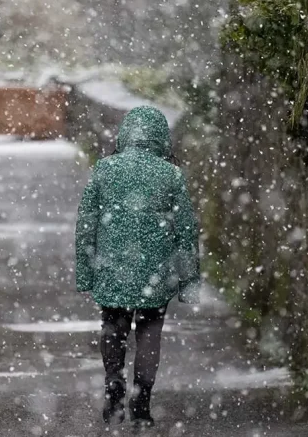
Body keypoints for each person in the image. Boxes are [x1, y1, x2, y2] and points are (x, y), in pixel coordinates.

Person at [75, 106, 201, 430]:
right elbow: (186, 230)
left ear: (125, 135)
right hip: (155, 275)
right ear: (161, 138)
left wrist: (86, 271)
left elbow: (86, 224)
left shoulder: (104, 170)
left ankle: (113, 387)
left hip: (112, 270)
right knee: (149, 335)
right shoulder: (171, 175)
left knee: (113, 330)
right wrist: (188, 281)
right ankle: (142, 398)